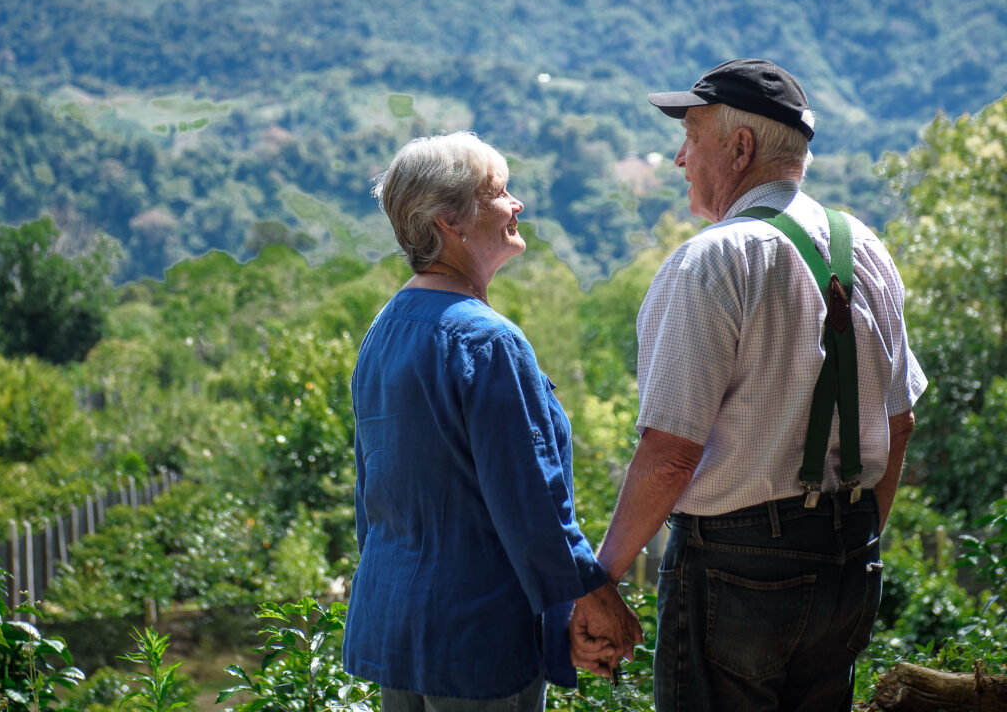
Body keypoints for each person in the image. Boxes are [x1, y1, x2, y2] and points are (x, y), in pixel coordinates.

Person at [576, 59, 927, 711]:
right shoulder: (866, 249)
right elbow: (899, 424)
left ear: (740, 148)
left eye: (693, 136)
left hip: (736, 567)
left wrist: (601, 578)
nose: (680, 159)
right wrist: (849, 539)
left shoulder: (713, 260)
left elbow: (672, 453)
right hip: (852, 558)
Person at [342, 131, 642, 712]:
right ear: (450, 221)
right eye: (499, 192)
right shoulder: (486, 340)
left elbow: (371, 495)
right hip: (475, 640)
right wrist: (593, 592)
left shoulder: (383, 331)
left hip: (398, 626)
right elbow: (531, 499)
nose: (516, 204)